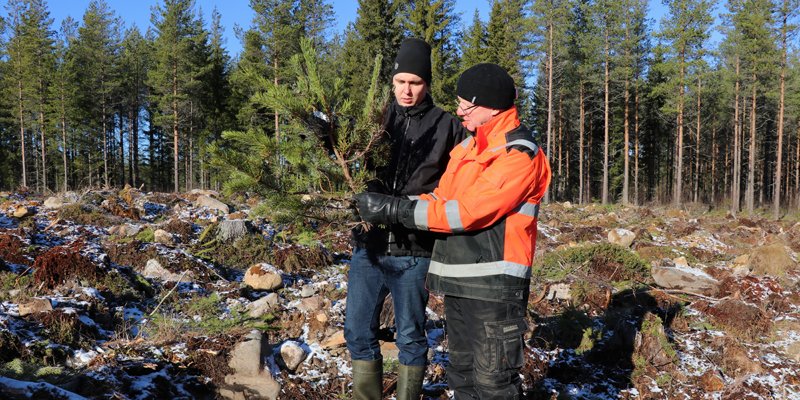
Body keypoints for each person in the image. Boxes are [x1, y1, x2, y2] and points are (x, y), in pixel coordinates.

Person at [355, 63, 551, 399]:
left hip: (494, 287)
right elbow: (440, 199)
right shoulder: (468, 149)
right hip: (460, 282)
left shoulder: (518, 154)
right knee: (461, 375)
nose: (459, 111)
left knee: (493, 382)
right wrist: (389, 204)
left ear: (492, 106)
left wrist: (394, 210)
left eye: (467, 105)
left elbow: (467, 212)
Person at [344, 38, 467, 400]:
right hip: (368, 247)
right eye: (401, 82)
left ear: (426, 84)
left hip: (414, 250)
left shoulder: (447, 126)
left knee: (411, 335)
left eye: (415, 82)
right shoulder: (375, 120)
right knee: (356, 330)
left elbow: (458, 186)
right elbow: (346, 159)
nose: (407, 90)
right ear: (392, 81)